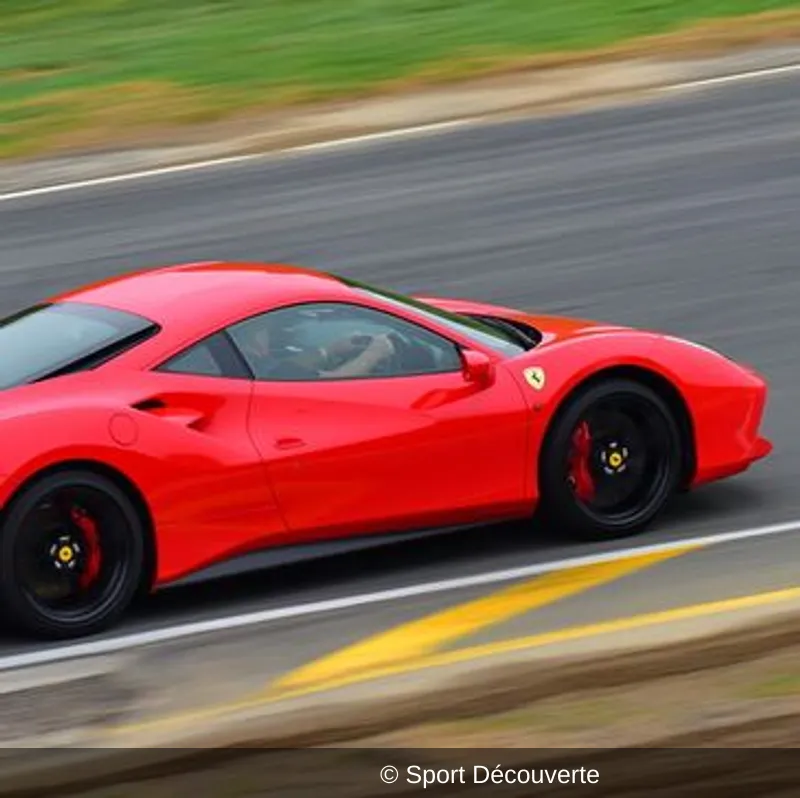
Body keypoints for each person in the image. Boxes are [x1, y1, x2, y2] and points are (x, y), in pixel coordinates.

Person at [236, 322, 395, 380]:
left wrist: (330, 350)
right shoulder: (254, 368)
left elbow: (287, 366)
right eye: (266, 331)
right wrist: (374, 354)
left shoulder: (244, 361)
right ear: (255, 339)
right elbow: (333, 383)